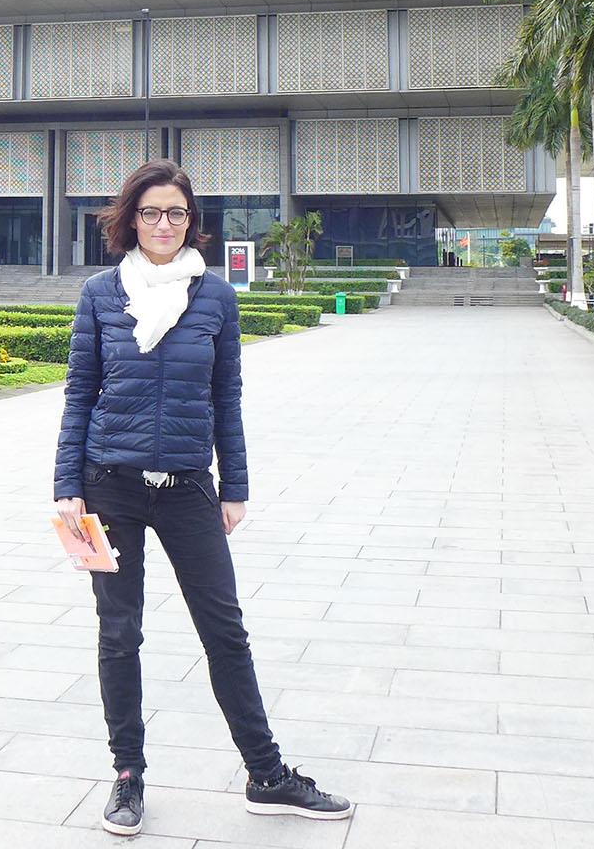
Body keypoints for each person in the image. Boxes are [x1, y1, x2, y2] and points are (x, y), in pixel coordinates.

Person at [53, 159, 353, 836]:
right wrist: (67, 486)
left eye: (177, 213)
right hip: (109, 489)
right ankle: (127, 775)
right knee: (119, 632)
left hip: (189, 486)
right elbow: (78, 396)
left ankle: (267, 775)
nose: (165, 224)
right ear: (131, 219)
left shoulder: (213, 297)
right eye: (153, 212)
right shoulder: (102, 294)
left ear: (193, 222)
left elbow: (226, 397)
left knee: (225, 631)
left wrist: (235, 487)